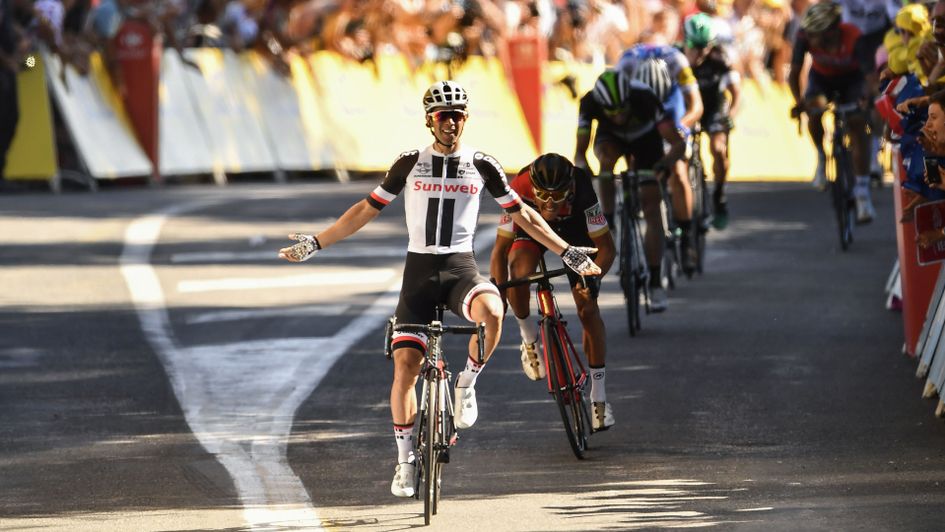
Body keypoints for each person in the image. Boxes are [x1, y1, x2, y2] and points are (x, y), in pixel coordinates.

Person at [278, 80, 600, 499]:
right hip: (419, 273)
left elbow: (523, 214)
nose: (451, 123)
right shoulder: (411, 162)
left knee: (494, 310)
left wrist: (568, 251)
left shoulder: (482, 164)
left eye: (458, 115)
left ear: (466, 119)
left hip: (459, 268)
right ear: (429, 121)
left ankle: (466, 384)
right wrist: (316, 242)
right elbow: (364, 210)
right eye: (442, 116)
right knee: (405, 368)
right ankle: (405, 461)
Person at [490, 153, 617, 431]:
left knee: (587, 306)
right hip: (531, 226)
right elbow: (500, 252)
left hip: (574, 231)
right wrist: (499, 295)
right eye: (543, 195)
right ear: (532, 189)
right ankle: (529, 339)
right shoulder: (519, 187)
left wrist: (594, 281)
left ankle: (599, 398)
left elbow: (607, 248)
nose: (549, 203)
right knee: (519, 270)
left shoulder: (582, 189)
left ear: (570, 189)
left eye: (557, 195)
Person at [574, 68, 685, 312]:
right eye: (610, 112)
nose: (618, 116)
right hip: (610, 140)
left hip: (646, 140)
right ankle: (610, 222)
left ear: (628, 100)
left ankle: (655, 282)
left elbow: (677, 143)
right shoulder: (590, 102)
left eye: (622, 110)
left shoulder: (645, 97)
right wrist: (583, 170)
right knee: (605, 163)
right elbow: (580, 152)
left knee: (651, 204)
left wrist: (663, 166)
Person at [617, 37, 705, 275]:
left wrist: (683, 129)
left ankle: (686, 235)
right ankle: (639, 190)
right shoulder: (626, 64)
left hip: (672, 106)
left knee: (678, 169)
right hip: (638, 105)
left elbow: (696, 106)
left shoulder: (678, 62)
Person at [788, 0, 876, 223]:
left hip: (853, 81)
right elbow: (794, 72)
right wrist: (799, 102)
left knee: (857, 125)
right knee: (814, 111)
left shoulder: (854, 37)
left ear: (832, 31)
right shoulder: (804, 35)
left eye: (817, 34)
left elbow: (869, 77)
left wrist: (867, 98)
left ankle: (863, 194)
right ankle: (820, 154)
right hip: (822, 79)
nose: (812, 39)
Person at [682, 12, 741, 230]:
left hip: (715, 106)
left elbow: (736, 92)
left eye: (704, 47)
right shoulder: (676, 56)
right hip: (689, 107)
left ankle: (719, 195)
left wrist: (731, 116)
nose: (699, 52)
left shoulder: (721, 59)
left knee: (718, 149)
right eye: (694, 46)